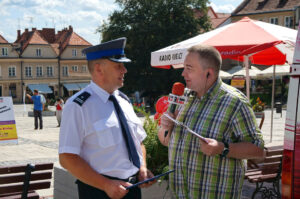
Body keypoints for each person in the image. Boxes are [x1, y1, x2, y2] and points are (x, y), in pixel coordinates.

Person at [158, 44, 265, 198]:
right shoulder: (184, 98)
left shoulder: (235, 103)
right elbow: (166, 141)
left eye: (189, 68)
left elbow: (259, 150)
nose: (183, 74)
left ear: (208, 73)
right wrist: (165, 128)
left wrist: (223, 148)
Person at [59, 37, 155, 199]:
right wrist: (105, 184)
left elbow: (138, 142)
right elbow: (67, 158)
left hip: (132, 188)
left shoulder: (124, 101)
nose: (124, 70)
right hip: (99, 191)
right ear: (99, 69)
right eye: (118, 65)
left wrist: (142, 168)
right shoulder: (78, 106)